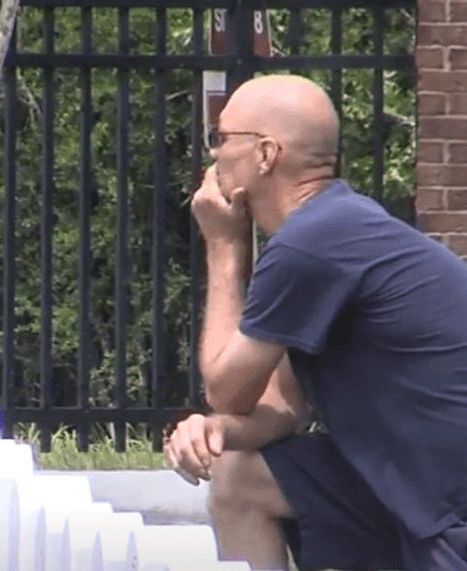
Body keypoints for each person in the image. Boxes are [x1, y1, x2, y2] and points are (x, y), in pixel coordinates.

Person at [163, 73, 467, 570]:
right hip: (412, 490)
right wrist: (209, 431)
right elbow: (283, 409)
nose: (213, 156)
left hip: (448, 508)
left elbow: (226, 386)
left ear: (266, 154)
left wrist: (223, 247)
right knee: (242, 479)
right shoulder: (329, 228)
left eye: (220, 139)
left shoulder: (313, 242)